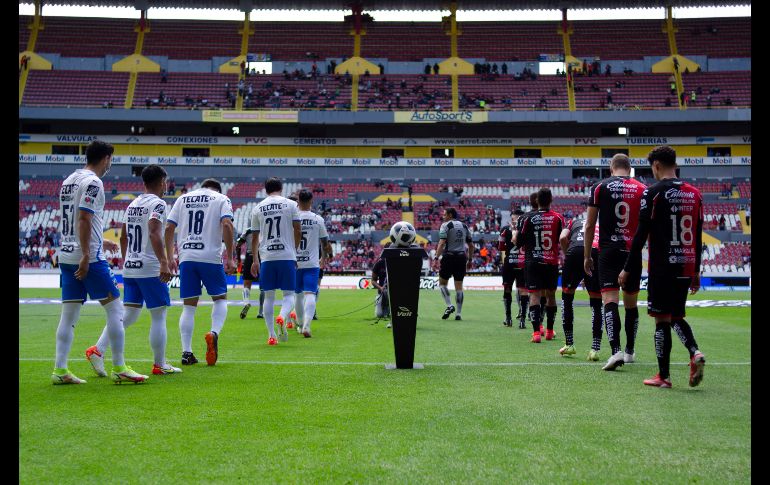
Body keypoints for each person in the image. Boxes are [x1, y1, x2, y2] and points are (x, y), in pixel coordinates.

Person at [53, 140, 147, 384]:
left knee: (69, 314)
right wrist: (87, 253)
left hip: (65, 253)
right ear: (105, 158)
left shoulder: (68, 180)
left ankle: (60, 370)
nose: (110, 165)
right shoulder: (94, 182)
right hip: (89, 259)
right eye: (110, 160)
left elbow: (74, 220)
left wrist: (99, 240)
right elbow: (84, 218)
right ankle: (119, 365)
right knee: (116, 309)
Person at [620, 145, 706, 388]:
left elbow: (640, 235)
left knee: (661, 319)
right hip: (687, 264)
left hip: (663, 266)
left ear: (656, 166)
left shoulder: (653, 193)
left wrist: (627, 267)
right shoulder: (695, 194)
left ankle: (664, 376)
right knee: (677, 315)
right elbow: (698, 235)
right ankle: (694, 352)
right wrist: (697, 271)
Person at [85, 165, 180, 377]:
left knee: (129, 314)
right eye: (165, 182)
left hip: (131, 266)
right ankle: (160, 363)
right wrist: (164, 262)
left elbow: (125, 236)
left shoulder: (133, 204)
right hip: (150, 268)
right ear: (162, 182)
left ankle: (98, 350)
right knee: (158, 315)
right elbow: (155, 232)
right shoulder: (158, 203)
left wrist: (129, 259)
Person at [584, 154, 647, 371]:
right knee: (631, 304)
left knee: (610, 300)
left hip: (608, 251)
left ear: (611, 168)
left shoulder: (599, 187)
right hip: (632, 252)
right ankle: (629, 350)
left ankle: (615, 351)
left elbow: (590, 225)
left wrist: (587, 256)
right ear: (629, 169)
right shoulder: (642, 188)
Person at [165, 178, 235, 366]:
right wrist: (230, 256)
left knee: (188, 306)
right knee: (220, 299)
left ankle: (186, 352)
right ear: (217, 189)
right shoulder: (221, 199)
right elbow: (227, 225)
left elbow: (169, 226)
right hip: (210, 256)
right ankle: (214, 333)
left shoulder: (183, 199)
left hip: (187, 256)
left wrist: (170, 257)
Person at [250, 177, 302, 346]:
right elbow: (298, 229)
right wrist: (294, 251)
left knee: (269, 297)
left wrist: (255, 260)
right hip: (286, 255)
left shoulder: (257, 208)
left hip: (267, 257)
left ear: (265, 190)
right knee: (288, 294)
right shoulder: (291, 204)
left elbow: (255, 237)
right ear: (281, 188)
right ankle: (282, 316)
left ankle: (271, 335)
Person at [517, 188, 564, 343]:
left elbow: (519, 242)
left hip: (533, 262)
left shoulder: (527, 218)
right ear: (551, 199)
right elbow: (561, 239)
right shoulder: (558, 218)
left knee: (534, 296)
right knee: (551, 296)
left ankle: (536, 333)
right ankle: (550, 331)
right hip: (551, 262)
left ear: (537, 201)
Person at [558, 214, 603, 359]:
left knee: (567, 299)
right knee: (596, 303)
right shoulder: (600, 224)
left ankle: (569, 344)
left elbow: (562, 238)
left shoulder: (573, 222)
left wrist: (569, 256)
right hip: (595, 252)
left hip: (575, 251)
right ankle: (595, 349)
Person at [293, 189, 331, 337]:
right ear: (311, 201)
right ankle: (307, 325)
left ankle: (300, 323)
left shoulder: (293, 218)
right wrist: (324, 257)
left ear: (298, 201)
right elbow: (325, 242)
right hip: (312, 263)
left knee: (297, 295)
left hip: (295, 263)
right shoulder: (318, 219)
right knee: (310, 294)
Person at [436, 207, 474, 320]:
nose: (443, 217)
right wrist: (470, 260)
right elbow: (471, 245)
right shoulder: (465, 226)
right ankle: (458, 314)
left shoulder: (445, 225)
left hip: (449, 257)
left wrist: (436, 257)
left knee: (442, 283)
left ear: (450, 215)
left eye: (445, 215)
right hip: (462, 258)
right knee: (459, 287)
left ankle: (449, 305)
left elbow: (442, 243)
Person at [498, 209, 526, 327]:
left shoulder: (505, 230)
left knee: (507, 289)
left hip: (509, 263)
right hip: (523, 263)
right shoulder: (527, 229)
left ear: (512, 218)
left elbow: (500, 247)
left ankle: (508, 318)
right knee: (523, 291)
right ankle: (522, 321)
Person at [236, 229, 265, 319]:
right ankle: (260, 312)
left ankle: (246, 302)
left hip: (250, 256)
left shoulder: (248, 231)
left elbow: (238, 245)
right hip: (262, 257)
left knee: (247, 284)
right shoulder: (265, 227)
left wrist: (239, 259)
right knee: (263, 286)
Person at [371, 246, 391, 327]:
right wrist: (380, 287)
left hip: (393, 294)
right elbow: (373, 281)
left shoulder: (398, 263)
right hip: (381, 292)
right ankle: (381, 305)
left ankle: (389, 309)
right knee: (379, 315)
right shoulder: (379, 264)